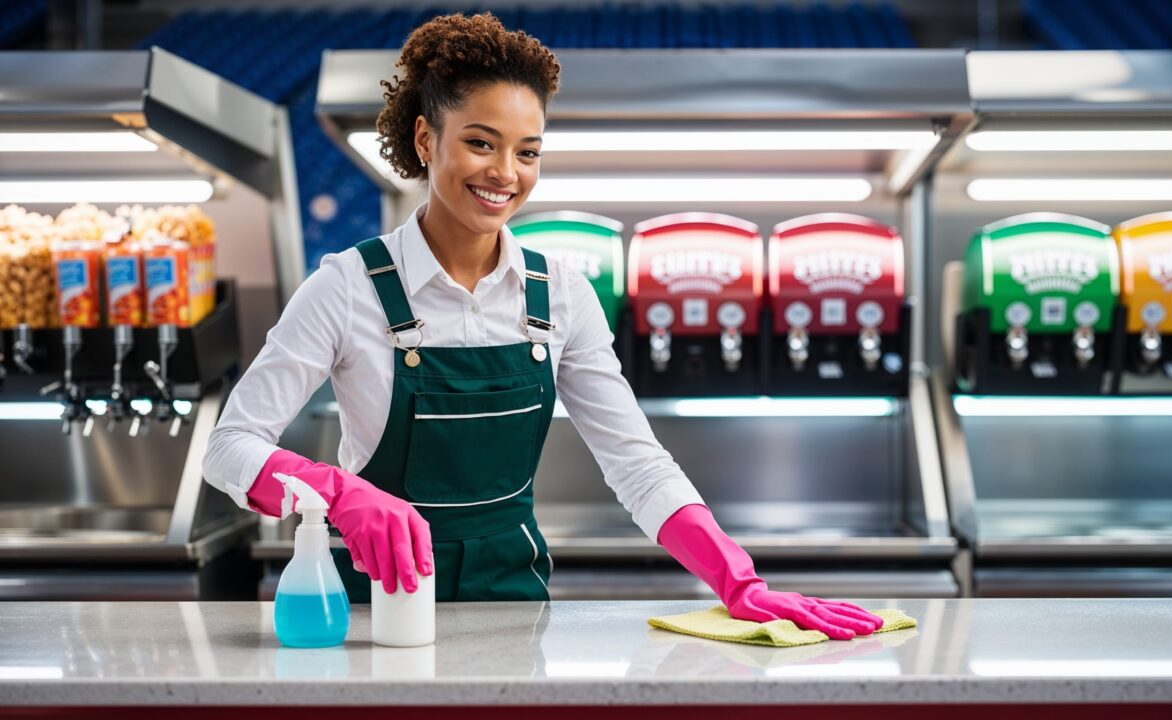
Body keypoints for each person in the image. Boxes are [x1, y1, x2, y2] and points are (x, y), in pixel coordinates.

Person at [203, 12, 883, 640]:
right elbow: (229, 446)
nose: (505, 173)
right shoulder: (346, 287)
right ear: (424, 138)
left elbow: (636, 464)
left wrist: (737, 580)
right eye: (480, 143)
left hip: (514, 615)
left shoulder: (558, 293)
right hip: (374, 617)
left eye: (527, 152)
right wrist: (338, 493)